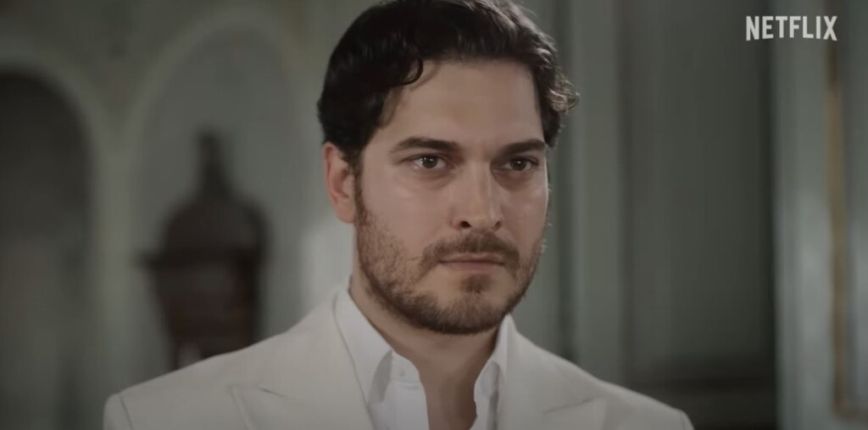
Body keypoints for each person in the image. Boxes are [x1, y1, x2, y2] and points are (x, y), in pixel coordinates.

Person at [104, 0, 694, 429]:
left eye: (517, 163)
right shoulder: (163, 420)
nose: (482, 212)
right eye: (430, 161)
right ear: (343, 183)